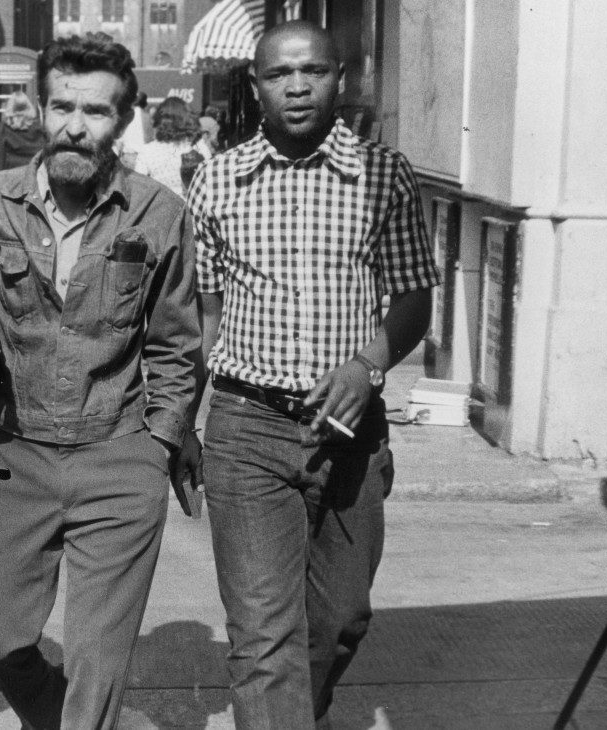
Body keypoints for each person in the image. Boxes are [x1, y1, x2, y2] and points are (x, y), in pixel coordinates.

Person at [186, 20, 440, 729]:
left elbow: (414, 296)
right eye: (278, 74)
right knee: (265, 639)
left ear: (341, 78)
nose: (296, 86)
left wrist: (369, 365)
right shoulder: (217, 179)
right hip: (246, 427)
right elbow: (204, 319)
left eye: (313, 71)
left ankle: (296, 712)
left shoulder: (384, 173)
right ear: (255, 85)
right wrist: (185, 419)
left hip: (351, 429)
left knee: (341, 620)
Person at [0, 34, 202, 729]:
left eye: (95, 111)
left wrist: (158, 445)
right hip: (15, 453)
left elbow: (179, 345)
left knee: (99, 664)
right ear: (39, 107)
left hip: (119, 454)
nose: (74, 126)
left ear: (121, 122)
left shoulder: (158, 213)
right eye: (62, 106)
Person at [132, 95, 207, 197]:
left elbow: (138, 189)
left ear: (159, 120)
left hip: (160, 208)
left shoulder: (147, 151)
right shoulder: (198, 147)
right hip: (191, 208)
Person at [0, 90, 45, 170]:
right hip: (34, 173)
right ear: (28, 106)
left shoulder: (3, 128)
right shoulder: (38, 127)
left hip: (11, 175)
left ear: (10, 106)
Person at [116, 91, 153, 168]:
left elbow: (119, 142)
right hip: (145, 159)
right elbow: (151, 139)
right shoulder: (148, 117)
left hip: (128, 158)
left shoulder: (125, 117)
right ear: (145, 103)